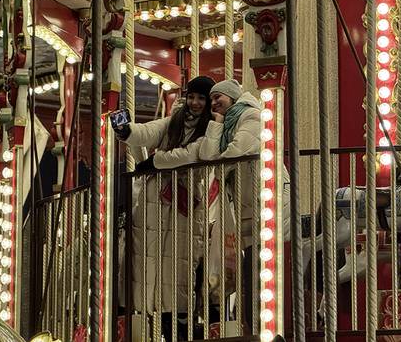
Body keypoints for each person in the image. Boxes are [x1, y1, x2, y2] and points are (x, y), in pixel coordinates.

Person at [115, 75, 216, 341]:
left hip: (183, 200)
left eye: (201, 98)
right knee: (146, 259)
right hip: (154, 200)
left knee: (180, 264)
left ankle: (180, 322)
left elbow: (192, 154)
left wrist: (155, 162)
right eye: (191, 97)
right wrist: (127, 132)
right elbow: (149, 131)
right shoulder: (174, 121)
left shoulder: (211, 128)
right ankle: (145, 319)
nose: (194, 103)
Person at [198, 79, 290, 330]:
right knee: (251, 264)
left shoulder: (250, 115)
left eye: (220, 97)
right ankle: (251, 322)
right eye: (212, 98)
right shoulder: (226, 123)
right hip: (249, 201)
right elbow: (210, 155)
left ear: (233, 96)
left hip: (266, 195)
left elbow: (235, 151)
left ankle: (267, 326)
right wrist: (215, 125)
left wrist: (216, 165)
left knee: (264, 264)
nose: (215, 101)